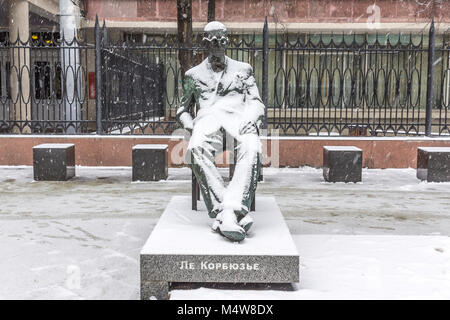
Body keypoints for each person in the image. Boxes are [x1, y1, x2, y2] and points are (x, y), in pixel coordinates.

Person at [176, 21, 265, 242]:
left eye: (222, 41)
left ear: (227, 42)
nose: (218, 47)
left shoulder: (243, 69)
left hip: (239, 123)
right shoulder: (193, 75)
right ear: (206, 44)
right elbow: (182, 109)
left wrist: (252, 119)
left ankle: (226, 213)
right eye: (213, 42)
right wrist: (191, 125)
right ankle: (232, 211)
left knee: (253, 147)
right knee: (195, 148)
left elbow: (256, 102)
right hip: (208, 125)